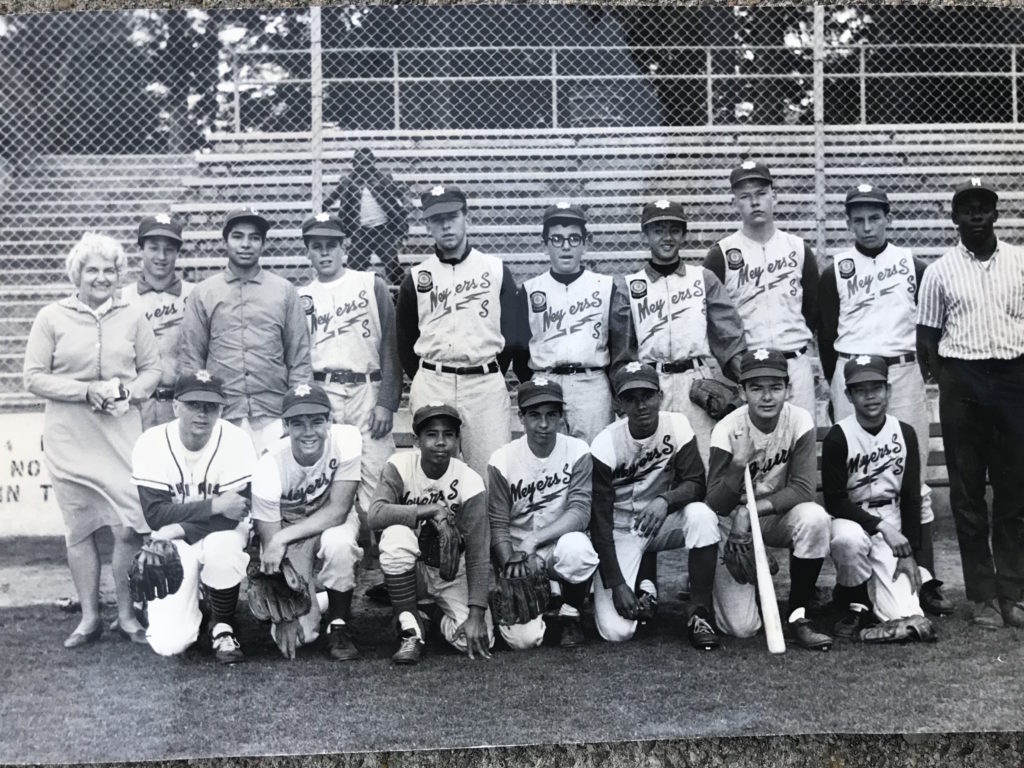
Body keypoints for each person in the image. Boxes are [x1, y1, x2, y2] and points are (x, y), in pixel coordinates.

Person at [818, 184, 952, 617]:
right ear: (848, 223)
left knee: (915, 478)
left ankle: (925, 578)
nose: (867, 226)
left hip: (901, 370)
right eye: (858, 219)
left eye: (874, 217)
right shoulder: (835, 268)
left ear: (887, 218)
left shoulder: (913, 265)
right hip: (853, 372)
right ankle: (854, 585)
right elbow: (825, 333)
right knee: (854, 478)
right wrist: (839, 375)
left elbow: (932, 322)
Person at [23, 232, 162, 648]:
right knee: (79, 529)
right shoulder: (51, 316)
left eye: (109, 270)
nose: (101, 278)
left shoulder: (134, 316)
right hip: (69, 435)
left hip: (120, 432)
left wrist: (127, 392)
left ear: (120, 274)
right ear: (77, 274)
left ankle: (126, 616)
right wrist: (85, 391)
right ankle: (89, 618)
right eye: (92, 270)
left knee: (128, 527)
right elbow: (33, 377)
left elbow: (152, 372)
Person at [917, 178, 1024, 630]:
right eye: (967, 209)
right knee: (967, 495)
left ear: (996, 214)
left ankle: (1013, 593)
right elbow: (927, 339)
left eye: (984, 208)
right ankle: (982, 597)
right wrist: (951, 382)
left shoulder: (1020, 261)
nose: (976, 216)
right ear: (954, 218)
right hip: (962, 379)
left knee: (1014, 492)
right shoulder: (940, 271)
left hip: (1013, 378)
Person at [707, 348, 833, 650]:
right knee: (741, 628)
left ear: (787, 390)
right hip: (732, 525)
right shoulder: (726, 429)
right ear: (742, 391)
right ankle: (727, 596)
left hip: (770, 515)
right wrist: (738, 465)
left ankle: (798, 614)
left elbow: (804, 488)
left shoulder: (799, 419)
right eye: (756, 388)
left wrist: (750, 510)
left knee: (814, 518)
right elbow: (715, 503)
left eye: (775, 387)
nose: (767, 397)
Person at [589, 362, 721, 649]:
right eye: (631, 398)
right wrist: (616, 583)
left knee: (702, 516)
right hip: (620, 530)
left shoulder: (677, 425)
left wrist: (666, 500)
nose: (641, 405)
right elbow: (599, 523)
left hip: (661, 521)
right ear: (619, 403)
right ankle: (640, 586)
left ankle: (699, 612)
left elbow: (696, 481)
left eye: (647, 396)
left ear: (660, 396)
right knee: (617, 632)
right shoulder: (605, 444)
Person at [129, 370, 258, 662]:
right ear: (175, 406)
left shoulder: (236, 439)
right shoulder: (152, 442)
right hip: (175, 534)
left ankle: (223, 624)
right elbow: (155, 515)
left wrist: (179, 527)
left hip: (218, 532)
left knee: (222, 549)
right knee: (169, 643)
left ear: (222, 409)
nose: (202, 413)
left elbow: (235, 513)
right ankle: (196, 606)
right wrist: (213, 505)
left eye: (211, 406)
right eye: (193, 405)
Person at [396, 185, 519, 477]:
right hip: (433, 381)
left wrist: (487, 369)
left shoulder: (495, 270)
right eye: (437, 219)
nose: (446, 225)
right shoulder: (416, 277)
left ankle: (491, 526)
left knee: (492, 473)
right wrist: (429, 375)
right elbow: (405, 341)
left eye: (452, 216)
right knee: (431, 475)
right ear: (427, 225)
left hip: (484, 385)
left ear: (466, 217)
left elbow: (513, 335)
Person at [296, 212, 401, 540]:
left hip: (366, 389)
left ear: (346, 246)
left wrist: (387, 402)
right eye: (317, 246)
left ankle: (390, 566)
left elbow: (391, 345)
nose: (325, 252)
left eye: (332, 245)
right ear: (308, 252)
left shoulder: (371, 284)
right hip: (323, 389)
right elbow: (298, 355)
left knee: (379, 479)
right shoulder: (302, 297)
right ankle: (334, 564)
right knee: (326, 481)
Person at [369, 403, 494, 665]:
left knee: (476, 638)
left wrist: (476, 614)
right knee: (395, 537)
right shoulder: (399, 465)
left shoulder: (470, 480)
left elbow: (478, 552)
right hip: (412, 567)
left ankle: (429, 611)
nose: (440, 442)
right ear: (416, 440)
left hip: (450, 572)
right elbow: (375, 514)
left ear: (458, 441)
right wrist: (430, 510)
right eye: (431, 434)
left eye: (448, 435)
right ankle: (410, 629)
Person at [179, 208, 312, 454]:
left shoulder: (284, 291)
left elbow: (299, 359)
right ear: (225, 241)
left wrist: (296, 412)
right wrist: (201, 411)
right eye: (238, 236)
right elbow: (192, 360)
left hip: (273, 414)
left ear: (262, 244)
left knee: (275, 489)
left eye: (254, 237)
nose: (246, 244)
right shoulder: (204, 293)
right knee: (227, 490)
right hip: (223, 414)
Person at [625, 199, 746, 462]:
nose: (666, 238)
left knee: (701, 462)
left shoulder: (702, 278)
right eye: (658, 230)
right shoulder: (631, 285)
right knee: (655, 464)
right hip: (651, 382)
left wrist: (745, 382)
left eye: (674, 230)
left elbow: (729, 338)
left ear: (683, 235)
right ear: (645, 234)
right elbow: (624, 351)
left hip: (695, 383)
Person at [250, 383, 363, 660]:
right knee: (301, 637)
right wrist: (284, 618)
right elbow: (271, 544)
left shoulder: (347, 439)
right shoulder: (269, 465)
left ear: (330, 420)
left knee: (340, 544)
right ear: (285, 426)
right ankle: (320, 601)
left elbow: (338, 510)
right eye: (298, 424)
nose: (309, 431)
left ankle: (338, 624)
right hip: (286, 527)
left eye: (316, 421)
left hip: (328, 521)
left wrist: (281, 540)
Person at [824, 356, 933, 637]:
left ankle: (857, 598)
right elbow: (835, 501)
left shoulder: (904, 432)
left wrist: (910, 556)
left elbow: (911, 496)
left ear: (888, 390)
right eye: (861, 390)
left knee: (906, 617)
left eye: (876, 387)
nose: (870, 396)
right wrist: (881, 527)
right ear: (848, 395)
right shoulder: (839, 436)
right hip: (852, 517)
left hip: (893, 515)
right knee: (848, 540)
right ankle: (855, 603)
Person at [486, 378, 599, 648]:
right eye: (535, 416)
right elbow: (498, 525)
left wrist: (534, 540)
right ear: (521, 417)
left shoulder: (578, 450)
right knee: (524, 642)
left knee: (579, 549)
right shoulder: (502, 459)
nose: (544, 424)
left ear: (561, 416)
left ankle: (571, 612)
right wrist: (510, 565)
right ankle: (542, 603)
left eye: (551, 415)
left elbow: (581, 512)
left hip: (557, 543)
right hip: (517, 552)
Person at [704, 162, 820, 422]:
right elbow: (712, 318)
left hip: (793, 364)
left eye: (761, 193)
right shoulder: (721, 254)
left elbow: (812, 310)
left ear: (774, 196)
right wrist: (734, 361)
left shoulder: (798, 249)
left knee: (800, 445)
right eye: (745, 196)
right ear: (735, 203)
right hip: (748, 366)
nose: (754, 202)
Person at [513, 202, 631, 443]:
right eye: (556, 239)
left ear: (585, 244)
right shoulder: (530, 290)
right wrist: (537, 379)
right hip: (546, 380)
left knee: (595, 459)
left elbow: (620, 347)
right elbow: (519, 352)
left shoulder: (605, 286)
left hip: (591, 383)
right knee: (548, 461)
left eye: (574, 239)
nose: (565, 246)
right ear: (545, 244)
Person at [121, 214, 194, 428]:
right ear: (140, 250)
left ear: (178, 253)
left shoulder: (196, 295)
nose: (161, 256)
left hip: (180, 404)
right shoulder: (123, 298)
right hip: (136, 406)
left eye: (169, 249)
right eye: (153, 248)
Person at [322, 147, 409, 284]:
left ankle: (402, 296)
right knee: (353, 269)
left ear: (374, 163)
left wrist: (402, 222)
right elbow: (330, 200)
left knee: (393, 267)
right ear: (354, 164)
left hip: (383, 230)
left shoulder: (383, 179)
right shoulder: (348, 182)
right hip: (361, 232)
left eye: (369, 163)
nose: (366, 167)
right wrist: (323, 211)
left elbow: (400, 197)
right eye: (362, 163)